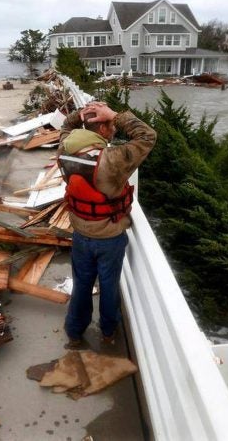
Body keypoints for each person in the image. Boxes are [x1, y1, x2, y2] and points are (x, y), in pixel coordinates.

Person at [57, 101, 156, 348]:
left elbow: (66, 127)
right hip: (109, 238)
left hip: (80, 234)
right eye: (111, 125)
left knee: (81, 285)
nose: (114, 129)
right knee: (109, 287)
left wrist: (80, 115)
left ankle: (74, 331)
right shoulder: (112, 159)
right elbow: (147, 135)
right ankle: (109, 331)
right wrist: (115, 114)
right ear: (102, 129)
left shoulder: (64, 148)